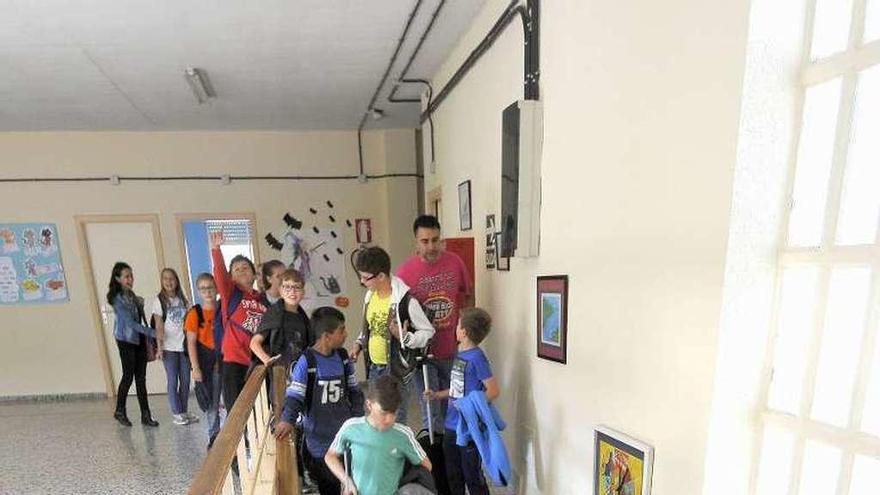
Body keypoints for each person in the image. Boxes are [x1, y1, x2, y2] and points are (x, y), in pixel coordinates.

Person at [396, 214, 473, 432]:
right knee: (431, 409)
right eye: (425, 241)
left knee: (457, 402)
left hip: (452, 348)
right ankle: (436, 458)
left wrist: (467, 332)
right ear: (416, 243)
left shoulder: (454, 262)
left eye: (435, 240)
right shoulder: (404, 272)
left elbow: (467, 294)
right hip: (423, 354)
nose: (431, 246)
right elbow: (399, 313)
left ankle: (454, 453)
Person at [274, 307, 363, 495]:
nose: (346, 334)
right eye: (341, 330)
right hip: (319, 442)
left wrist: (358, 420)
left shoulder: (343, 357)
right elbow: (295, 396)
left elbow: (354, 391)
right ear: (326, 336)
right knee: (329, 486)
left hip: (346, 436)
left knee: (353, 484)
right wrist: (287, 420)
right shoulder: (307, 361)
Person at [349, 246, 434, 424]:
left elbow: (428, 332)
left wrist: (405, 337)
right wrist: (358, 343)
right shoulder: (369, 296)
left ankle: (396, 452)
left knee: (394, 420)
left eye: (366, 278)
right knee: (373, 417)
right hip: (374, 368)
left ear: (381, 276)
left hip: (396, 370)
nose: (362, 282)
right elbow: (370, 328)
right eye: (360, 277)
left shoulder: (405, 301)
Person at [424, 308, 499, 495]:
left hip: (468, 427)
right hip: (451, 424)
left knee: (472, 475)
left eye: (458, 324)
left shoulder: (477, 358)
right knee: (453, 475)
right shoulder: (460, 354)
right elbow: (459, 388)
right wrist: (437, 395)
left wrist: (470, 407)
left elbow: (493, 390)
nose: (455, 328)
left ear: (464, 331)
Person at [325, 375, 432, 495]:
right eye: (383, 413)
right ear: (369, 405)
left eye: (393, 412)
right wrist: (346, 481)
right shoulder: (351, 427)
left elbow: (426, 465)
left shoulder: (403, 434)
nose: (389, 419)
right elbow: (330, 456)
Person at [210, 231, 268, 413]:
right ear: (231, 277)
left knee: (259, 410)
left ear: (254, 275)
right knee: (236, 412)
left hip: (257, 361)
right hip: (234, 361)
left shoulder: (263, 300)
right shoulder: (231, 294)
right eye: (236, 269)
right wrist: (215, 249)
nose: (242, 270)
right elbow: (219, 274)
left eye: (245, 267)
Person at [106, 261, 159, 427]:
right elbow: (130, 324)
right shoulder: (117, 299)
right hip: (126, 341)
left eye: (131, 276)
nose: (130, 279)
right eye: (126, 276)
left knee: (141, 378)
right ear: (118, 279)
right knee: (128, 376)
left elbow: (137, 318)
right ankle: (120, 410)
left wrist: (139, 305)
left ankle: (146, 415)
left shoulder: (131, 295)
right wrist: (153, 333)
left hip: (139, 340)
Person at [151, 268, 196, 426]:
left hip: (183, 346)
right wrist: (159, 347)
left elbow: (190, 322)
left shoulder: (183, 300)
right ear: (162, 281)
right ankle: (176, 413)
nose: (169, 282)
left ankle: (183, 411)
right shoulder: (159, 301)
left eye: (172, 279)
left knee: (185, 380)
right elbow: (158, 325)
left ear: (176, 281)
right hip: (169, 348)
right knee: (172, 380)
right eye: (165, 279)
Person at [185, 272, 222, 447]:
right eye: (203, 288)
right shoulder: (195, 313)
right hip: (206, 364)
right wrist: (195, 368)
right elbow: (191, 343)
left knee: (229, 401)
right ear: (199, 291)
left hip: (223, 361)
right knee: (212, 403)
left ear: (216, 288)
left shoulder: (223, 309)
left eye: (210, 287)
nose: (207, 291)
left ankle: (233, 435)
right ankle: (214, 436)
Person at [250, 268, 311, 368]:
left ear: (303, 292)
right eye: (287, 287)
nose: (292, 291)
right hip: (279, 372)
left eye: (297, 287)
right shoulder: (273, 313)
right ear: (280, 291)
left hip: (300, 374)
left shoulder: (304, 318)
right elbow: (254, 343)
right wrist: (267, 360)